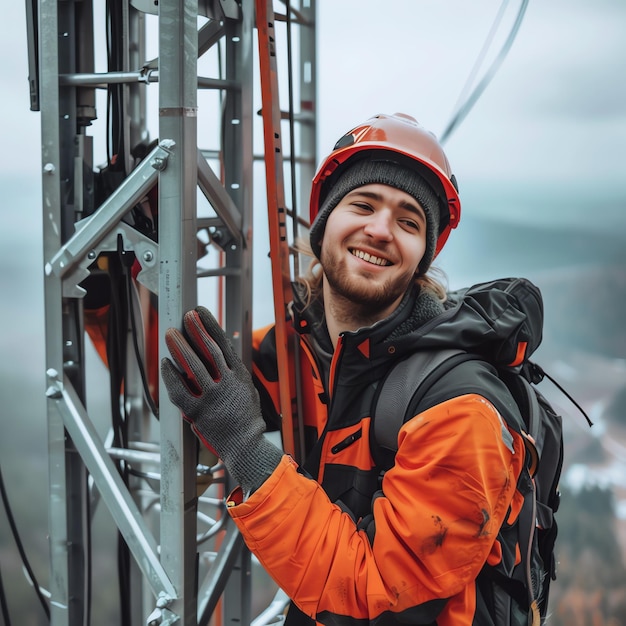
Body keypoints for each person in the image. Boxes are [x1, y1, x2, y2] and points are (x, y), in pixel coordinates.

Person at [161, 113, 528, 626]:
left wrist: (246, 448)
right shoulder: (304, 351)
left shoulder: (459, 408)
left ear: (421, 256)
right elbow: (184, 392)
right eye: (362, 204)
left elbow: (374, 593)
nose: (379, 231)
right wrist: (119, 284)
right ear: (324, 223)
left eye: (408, 221)